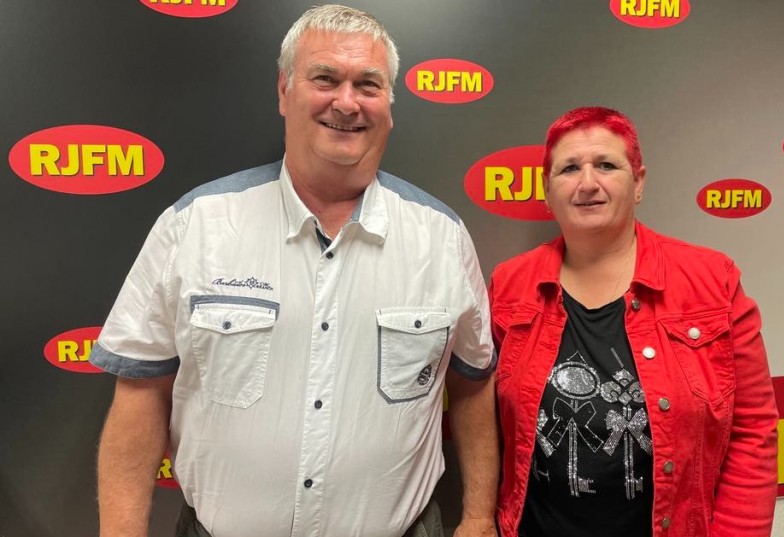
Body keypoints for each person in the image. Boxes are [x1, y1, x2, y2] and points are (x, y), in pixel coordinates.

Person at [91, 5, 499, 537]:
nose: (347, 102)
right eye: (324, 78)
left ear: (389, 106)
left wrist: (478, 517)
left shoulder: (442, 239)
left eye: (368, 85)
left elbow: (473, 383)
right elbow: (141, 393)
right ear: (285, 92)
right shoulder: (194, 226)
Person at [489, 106, 778, 536]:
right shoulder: (510, 285)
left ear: (638, 183)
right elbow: (487, 423)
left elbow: (753, 431)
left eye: (606, 165)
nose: (588, 183)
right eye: (570, 168)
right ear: (547, 191)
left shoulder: (712, 282)